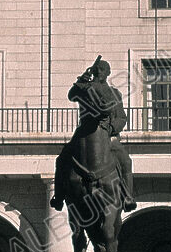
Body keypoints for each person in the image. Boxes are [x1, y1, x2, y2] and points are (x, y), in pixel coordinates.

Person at [54, 57, 136, 211]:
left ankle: (128, 197)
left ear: (108, 73)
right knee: (62, 159)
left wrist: (111, 128)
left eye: (102, 70)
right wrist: (80, 80)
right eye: (97, 69)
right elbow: (72, 96)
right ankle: (58, 197)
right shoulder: (85, 88)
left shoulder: (114, 93)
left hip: (108, 134)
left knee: (126, 161)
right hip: (84, 132)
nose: (99, 72)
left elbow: (121, 117)